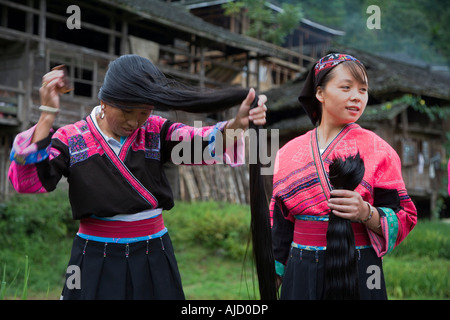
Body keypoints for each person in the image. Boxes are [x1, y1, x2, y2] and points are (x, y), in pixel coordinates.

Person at [8, 54, 267, 300]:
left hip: (154, 252)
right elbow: (30, 181)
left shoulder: (156, 131)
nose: (134, 122)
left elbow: (206, 142)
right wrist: (46, 115)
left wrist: (238, 124)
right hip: (96, 254)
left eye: (143, 113)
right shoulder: (72, 138)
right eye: (126, 112)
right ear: (104, 101)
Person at [270, 53, 417, 299]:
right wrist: (274, 275)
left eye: (363, 90)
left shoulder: (379, 150)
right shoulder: (287, 153)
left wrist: (366, 213)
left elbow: (405, 215)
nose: (357, 97)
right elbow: (281, 224)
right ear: (320, 93)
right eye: (346, 87)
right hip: (300, 266)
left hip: (361, 266)